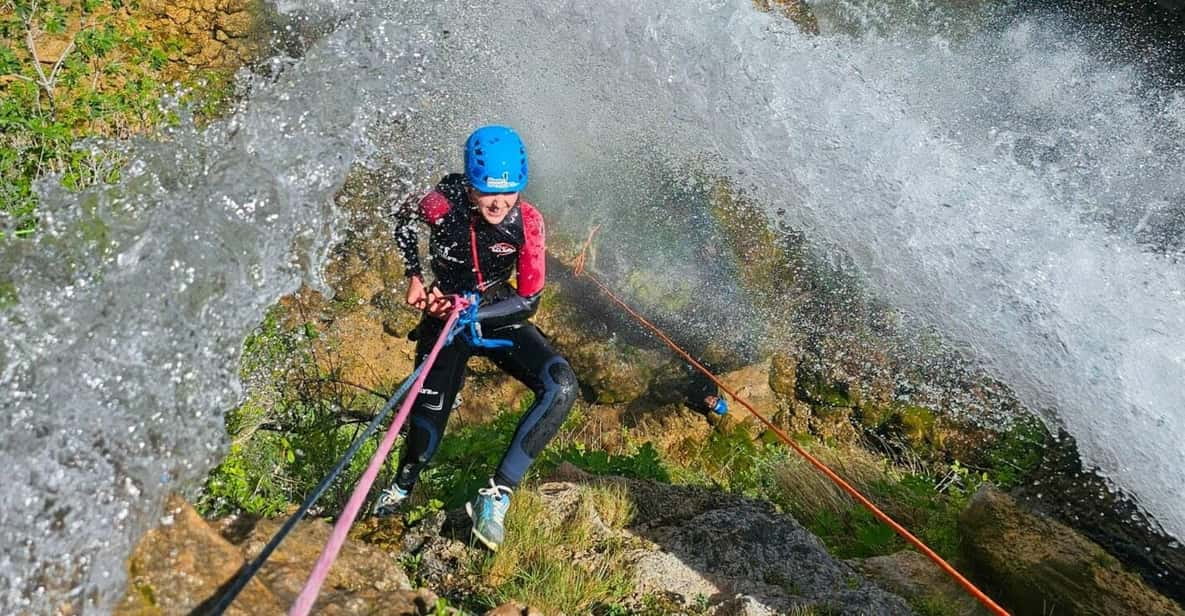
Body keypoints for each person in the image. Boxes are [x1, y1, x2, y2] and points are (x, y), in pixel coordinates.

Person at [373, 125, 577, 552]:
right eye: (487, 192)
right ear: (471, 183)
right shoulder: (440, 204)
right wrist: (414, 277)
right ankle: (402, 487)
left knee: (560, 385)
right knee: (427, 421)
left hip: (495, 312)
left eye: (510, 192)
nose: (499, 203)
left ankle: (497, 495)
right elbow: (401, 217)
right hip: (446, 315)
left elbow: (529, 300)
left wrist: (475, 312)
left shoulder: (529, 221)